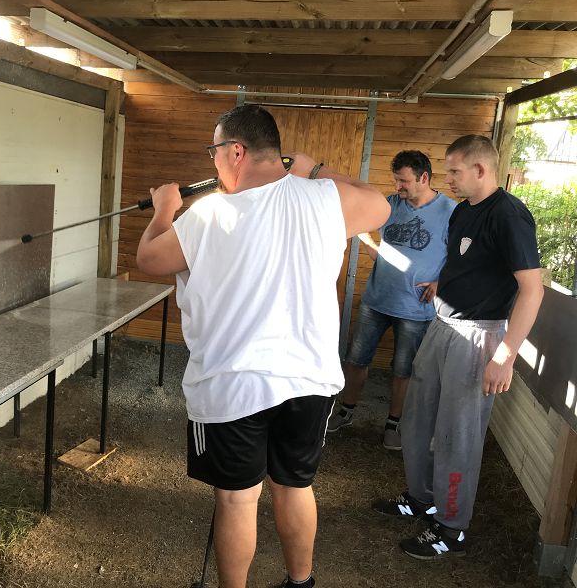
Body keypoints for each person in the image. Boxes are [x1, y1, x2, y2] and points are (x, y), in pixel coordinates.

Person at [136, 104, 390, 588]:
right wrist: (314, 168)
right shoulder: (325, 198)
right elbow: (380, 204)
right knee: (294, 486)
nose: (213, 162)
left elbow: (149, 257)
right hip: (309, 381)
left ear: (236, 152)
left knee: (237, 499)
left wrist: (165, 208)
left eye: (214, 151)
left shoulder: (207, 215)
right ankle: (301, 583)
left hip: (232, 386)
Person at [372, 135, 544, 560]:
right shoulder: (464, 210)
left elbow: (532, 290)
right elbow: (461, 261)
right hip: (442, 325)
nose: (446, 178)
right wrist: (441, 281)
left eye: (454, 171)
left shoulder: (509, 215)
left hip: (478, 335)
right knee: (417, 419)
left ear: (481, 170)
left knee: (457, 435)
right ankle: (422, 498)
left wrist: (504, 356)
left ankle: (452, 527)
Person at [327, 151, 456, 450]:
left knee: (403, 369)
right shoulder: (390, 204)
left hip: (415, 308)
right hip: (376, 300)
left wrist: (441, 282)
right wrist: (372, 247)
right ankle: (345, 410)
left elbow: (460, 257)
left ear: (424, 178)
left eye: (404, 181)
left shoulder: (450, 212)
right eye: (396, 180)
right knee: (356, 359)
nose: (397, 187)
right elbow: (361, 225)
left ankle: (394, 423)